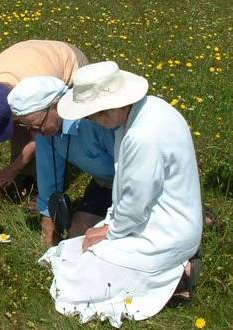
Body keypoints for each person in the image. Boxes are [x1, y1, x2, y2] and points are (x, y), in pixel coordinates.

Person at [39, 61, 202, 327]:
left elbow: (137, 202)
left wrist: (111, 231)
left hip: (166, 231)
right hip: (158, 217)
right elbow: (129, 192)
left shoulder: (141, 136)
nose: (91, 121)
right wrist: (110, 225)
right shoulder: (140, 115)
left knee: (83, 275)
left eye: (92, 115)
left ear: (107, 110)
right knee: (76, 248)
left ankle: (177, 274)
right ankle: (174, 270)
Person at [7, 76, 115, 245]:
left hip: (135, 183)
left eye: (36, 125)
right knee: (77, 237)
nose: (33, 134)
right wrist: (49, 227)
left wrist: (114, 223)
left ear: (57, 106)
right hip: (105, 184)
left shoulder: (94, 121)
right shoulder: (46, 131)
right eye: (27, 127)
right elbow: (48, 177)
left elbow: (130, 170)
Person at [0, 39, 89, 191]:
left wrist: (13, 169)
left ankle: (46, 186)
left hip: (69, 60)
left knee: (51, 129)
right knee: (28, 126)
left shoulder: (36, 87)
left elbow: (42, 130)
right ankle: (29, 177)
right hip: (30, 57)